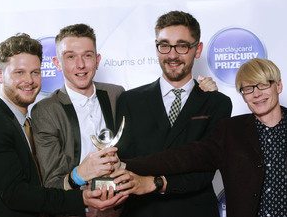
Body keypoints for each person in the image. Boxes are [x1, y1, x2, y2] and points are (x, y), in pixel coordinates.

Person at [117, 58, 286, 217]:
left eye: (263, 85)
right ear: (243, 95)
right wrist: (125, 164)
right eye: (248, 88)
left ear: (278, 86)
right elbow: (184, 157)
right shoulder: (231, 131)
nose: (256, 94)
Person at [0, 33, 126, 217]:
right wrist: (82, 198)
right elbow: (16, 194)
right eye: (19, 72)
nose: (29, 80)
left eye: (35, 72)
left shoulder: (22, 123)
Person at [114, 10, 232, 217]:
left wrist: (155, 182)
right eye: (165, 45)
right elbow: (124, 162)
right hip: (141, 211)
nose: (172, 54)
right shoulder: (129, 100)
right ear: (157, 48)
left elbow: (205, 169)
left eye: (182, 46)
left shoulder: (217, 103)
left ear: (197, 49)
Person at [30, 24, 125, 216]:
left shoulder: (117, 94)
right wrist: (80, 174)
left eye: (88, 55)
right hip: (74, 210)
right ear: (57, 63)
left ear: (97, 60)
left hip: (120, 206)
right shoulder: (46, 110)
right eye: (71, 56)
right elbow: (52, 183)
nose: (80, 65)